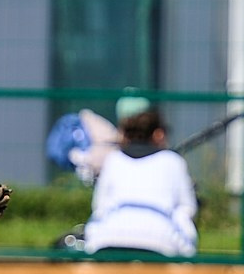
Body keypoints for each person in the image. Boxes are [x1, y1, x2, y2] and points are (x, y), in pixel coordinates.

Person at [81, 103, 199, 258]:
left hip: (105, 240)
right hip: (161, 243)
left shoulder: (113, 159)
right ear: (159, 135)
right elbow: (187, 208)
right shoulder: (173, 161)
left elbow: (99, 206)